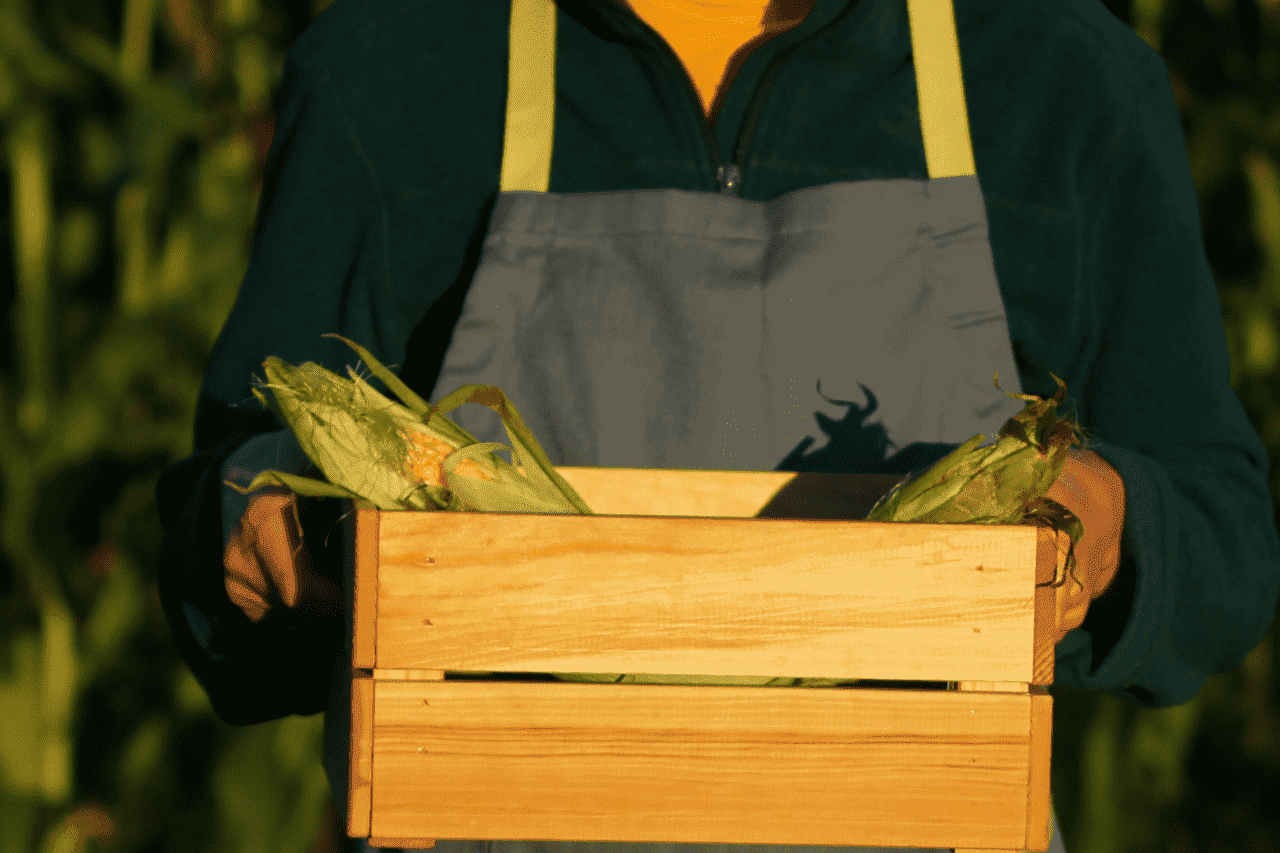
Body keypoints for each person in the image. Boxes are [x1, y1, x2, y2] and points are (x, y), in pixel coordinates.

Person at [154, 1, 1280, 852]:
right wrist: (262, 520)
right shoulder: (398, 66)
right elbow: (229, 505)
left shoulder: (1055, 76)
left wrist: (1109, 516)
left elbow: (1225, 542)